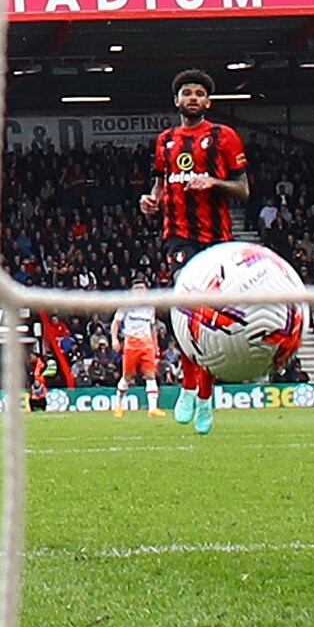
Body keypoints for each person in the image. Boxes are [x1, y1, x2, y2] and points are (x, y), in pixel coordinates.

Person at [138, 69, 248, 434]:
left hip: (217, 241)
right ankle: (188, 388)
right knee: (186, 314)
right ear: (177, 100)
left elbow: (244, 189)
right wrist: (151, 201)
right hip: (179, 236)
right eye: (187, 92)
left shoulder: (224, 137)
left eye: (200, 93)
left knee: (209, 321)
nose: (193, 98)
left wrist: (214, 182)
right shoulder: (165, 141)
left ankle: (204, 396)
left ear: (208, 102)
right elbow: (159, 185)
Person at [109, 279, 164, 416]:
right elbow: (115, 323)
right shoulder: (126, 305)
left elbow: (153, 328)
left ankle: (153, 409)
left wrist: (155, 346)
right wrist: (114, 339)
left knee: (150, 375)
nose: (140, 292)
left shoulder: (150, 307)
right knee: (127, 376)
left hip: (147, 345)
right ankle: (119, 406)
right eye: (137, 289)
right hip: (131, 344)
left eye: (142, 289)